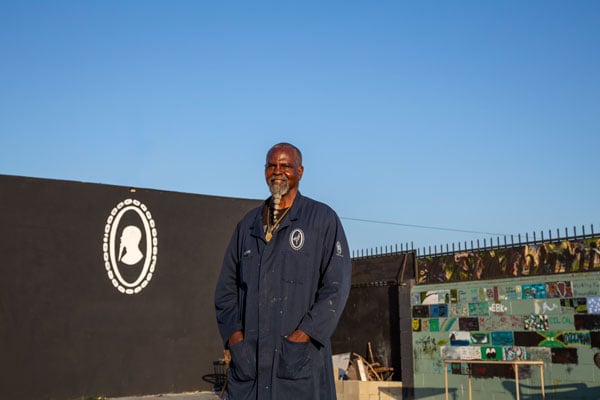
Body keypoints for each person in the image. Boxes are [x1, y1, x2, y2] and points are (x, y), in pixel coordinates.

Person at [214, 142, 352, 399]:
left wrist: (303, 336)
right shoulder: (248, 225)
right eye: (272, 165)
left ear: (300, 171)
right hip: (249, 366)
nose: (278, 171)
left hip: (298, 362)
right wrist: (235, 338)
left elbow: (336, 286)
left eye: (286, 165)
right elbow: (225, 291)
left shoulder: (321, 220)